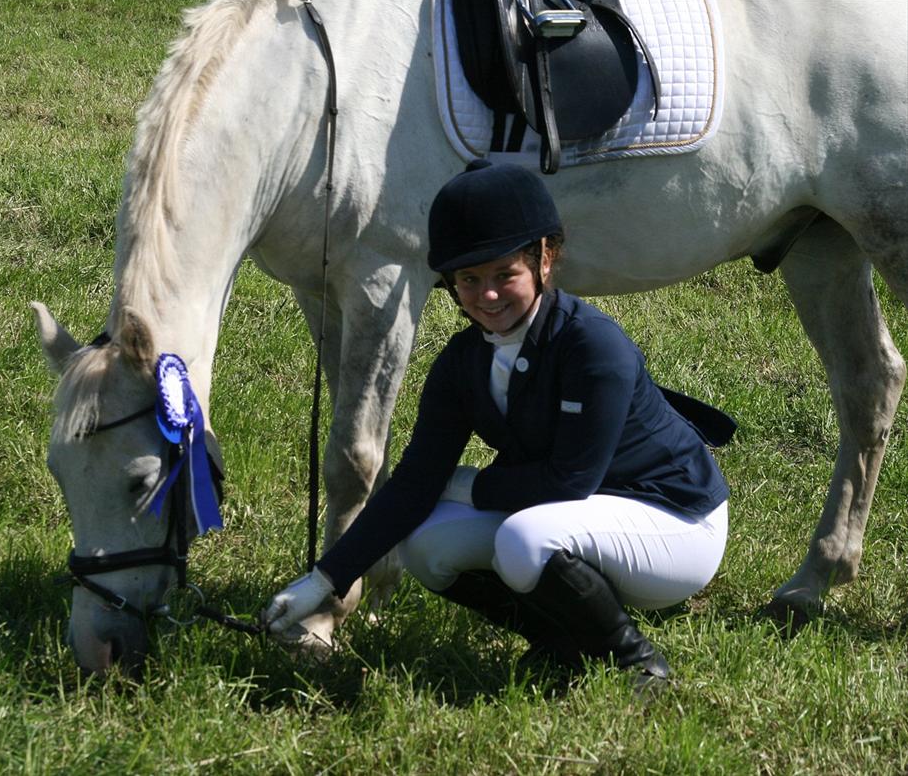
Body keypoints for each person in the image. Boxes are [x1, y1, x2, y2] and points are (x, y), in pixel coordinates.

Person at [262, 159, 732, 692]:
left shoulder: (593, 345)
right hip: (581, 520)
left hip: (674, 522)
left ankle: (637, 661)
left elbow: (568, 481)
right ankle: (563, 643)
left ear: (545, 260)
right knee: (426, 543)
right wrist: (322, 581)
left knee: (523, 540)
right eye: (469, 279)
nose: (487, 296)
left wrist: (467, 484)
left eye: (504, 274)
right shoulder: (462, 363)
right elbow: (415, 483)